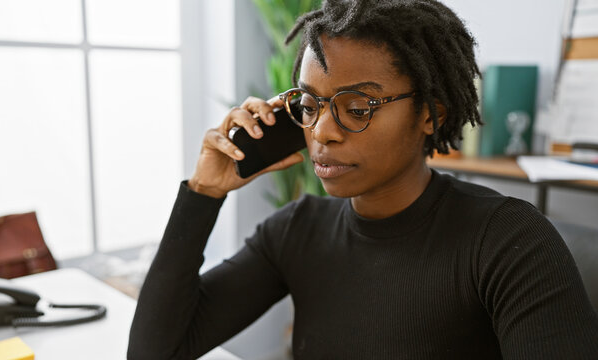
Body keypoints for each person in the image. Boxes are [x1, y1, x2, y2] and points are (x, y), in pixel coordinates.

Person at [128, 0, 598, 359]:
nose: (322, 132)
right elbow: (156, 350)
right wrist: (203, 194)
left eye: (357, 108)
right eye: (309, 106)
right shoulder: (297, 229)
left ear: (431, 115)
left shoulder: (507, 239)